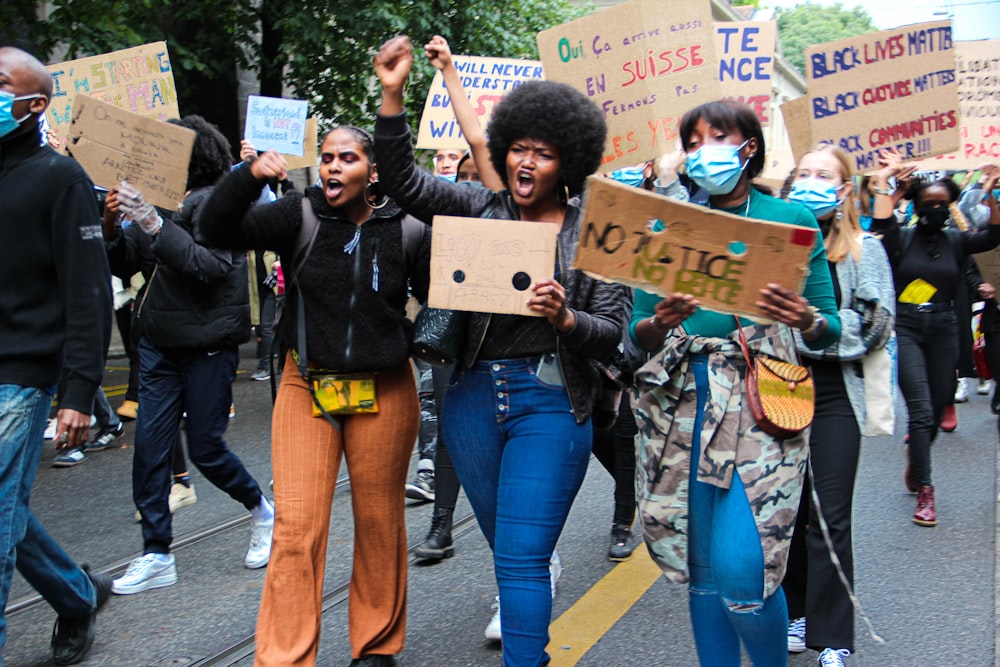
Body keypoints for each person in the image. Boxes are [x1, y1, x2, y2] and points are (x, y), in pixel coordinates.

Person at [374, 36, 627, 666]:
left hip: (550, 401)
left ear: (566, 164)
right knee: (507, 546)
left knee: (519, 558)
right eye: (518, 148)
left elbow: (614, 335)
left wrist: (565, 317)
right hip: (469, 400)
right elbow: (403, 181)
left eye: (543, 154)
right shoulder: (477, 205)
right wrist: (392, 94)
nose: (525, 162)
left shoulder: (597, 231)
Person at [200, 123, 429, 667]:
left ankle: (376, 647)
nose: (332, 167)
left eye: (346, 158)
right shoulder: (297, 215)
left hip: (387, 387)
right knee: (297, 527)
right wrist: (247, 174)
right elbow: (214, 227)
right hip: (309, 385)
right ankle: (284, 655)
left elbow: (445, 297)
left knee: (379, 520)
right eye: (326, 157)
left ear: (372, 171)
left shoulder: (411, 226)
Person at [629, 100, 841, 667]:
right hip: (680, 407)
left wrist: (803, 319)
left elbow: (830, 327)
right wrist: (662, 320)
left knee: (745, 577)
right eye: (692, 143)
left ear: (750, 147)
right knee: (703, 578)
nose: (704, 152)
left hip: (761, 403)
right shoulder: (662, 226)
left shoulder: (790, 220)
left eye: (718, 137)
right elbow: (638, 335)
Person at [103, 115, 275, 595]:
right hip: (158, 344)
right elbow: (124, 264)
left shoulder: (222, 204)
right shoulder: (153, 201)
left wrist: (155, 224)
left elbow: (209, 267)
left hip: (208, 345)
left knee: (205, 448)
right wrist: (113, 221)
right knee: (150, 450)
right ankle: (157, 553)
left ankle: (262, 510)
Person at [0, 45, 114, 666]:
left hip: (22, 376)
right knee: (5, 509)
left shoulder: (60, 178)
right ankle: (76, 595)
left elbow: (89, 292)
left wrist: (77, 394)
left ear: (35, 102)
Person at [780, 143, 895, 667]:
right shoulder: (777, 243)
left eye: (822, 175)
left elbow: (875, 323)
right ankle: (799, 611)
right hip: (778, 387)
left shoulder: (865, 249)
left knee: (830, 514)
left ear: (845, 189)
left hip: (834, 397)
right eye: (803, 173)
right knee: (789, 510)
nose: (810, 182)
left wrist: (814, 328)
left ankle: (833, 638)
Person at [870, 148, 1000, 526]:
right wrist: (884, 183)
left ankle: (918, 458)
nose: (936, 210)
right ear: (917, 205)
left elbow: (993, 234)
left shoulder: (958, 242)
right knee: (922, 409)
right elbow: (880, 224)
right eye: (929, 204)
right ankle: (926, 491)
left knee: (940, 403)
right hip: (907, 327)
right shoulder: (901, 238)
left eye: (943, 204)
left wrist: (991, 190)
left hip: (945, 327)